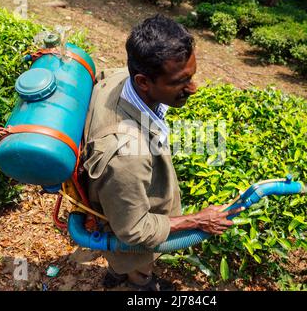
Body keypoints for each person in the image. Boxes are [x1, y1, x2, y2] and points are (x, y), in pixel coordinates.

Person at [82, 14, 245, 291]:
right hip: (127, 228)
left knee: (124, 259)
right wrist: (198, 220)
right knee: (139, 265)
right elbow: (133, 230)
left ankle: (118, 273)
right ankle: (139, 285)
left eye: (192, 76)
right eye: (181, 81)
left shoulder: (121, 78)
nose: (193, 88)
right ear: (144, 82)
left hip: (115, 203)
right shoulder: (127, 158)